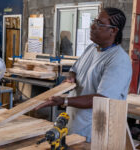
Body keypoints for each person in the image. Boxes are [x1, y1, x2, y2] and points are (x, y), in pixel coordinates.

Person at [35, 7, 132, 142]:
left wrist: (65, 101)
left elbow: (101, 99)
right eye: (94, 21)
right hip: (74, 125)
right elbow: (75, 69)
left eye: (99, 23)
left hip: (95, 131)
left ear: (113, 31)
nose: (92, 26)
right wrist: (71, 77)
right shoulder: (92, 48)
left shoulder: (119, 60)